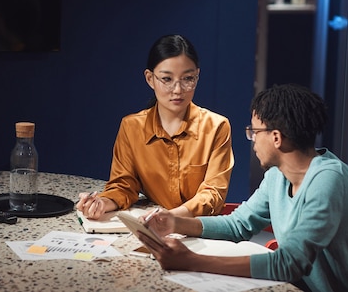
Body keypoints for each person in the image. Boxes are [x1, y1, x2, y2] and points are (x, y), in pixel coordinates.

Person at [138, 83, 348, 292]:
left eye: (254, 131)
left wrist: (190, 261)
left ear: (276, 138)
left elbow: (289, 264)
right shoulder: (276, 176)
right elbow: (237, 224)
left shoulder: (328, 178)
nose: (252, 140)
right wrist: (174, 222)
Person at [76, 34, 234, 219]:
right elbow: (124, 186)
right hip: (155, 224)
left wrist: (170, 218)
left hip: (199, 227)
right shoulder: (132, 127)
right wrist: (101, 203)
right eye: (167, 79)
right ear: (150, 78)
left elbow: (213, 195)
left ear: (197, 76)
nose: (178, 89)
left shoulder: (216, 126)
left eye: (188, 78)